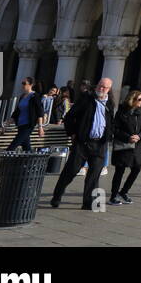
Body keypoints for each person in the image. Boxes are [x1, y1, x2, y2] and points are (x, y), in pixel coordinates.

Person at [50, 77, 114, 210]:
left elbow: (110, 121)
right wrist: (73, 133)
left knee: (94, 175)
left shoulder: (109, 104)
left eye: (104, 87)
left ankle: (88, 203)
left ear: (109, 89)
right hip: (83, 143)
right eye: (100, 85)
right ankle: (57, 196)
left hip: (100, 144)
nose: (101, 89)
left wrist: (109, 135)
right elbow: (69, 117)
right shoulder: (87, 99)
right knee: (71, 171)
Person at [0, 77, 47, 182]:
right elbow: (16, 113)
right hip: (21, 125)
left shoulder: (35, 96)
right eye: (22, 83)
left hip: (28, 126)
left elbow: (40, 112)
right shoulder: (22, 96)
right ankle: (34, 169)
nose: (22, 85)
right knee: (27, 149)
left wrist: (40, 127)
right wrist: (5, 125)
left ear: (31, 84)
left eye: (24, 83)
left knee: (11, 148)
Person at [110, 90, 141, 205]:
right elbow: (115, 129)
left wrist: (139, 136)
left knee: (137, 168)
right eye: (139, 99)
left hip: (137, 145)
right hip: (124, 145)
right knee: (119, 170)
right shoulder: (122, 112)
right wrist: (128, 137)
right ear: (133, 100)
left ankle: (124, 192)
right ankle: (113, 196)